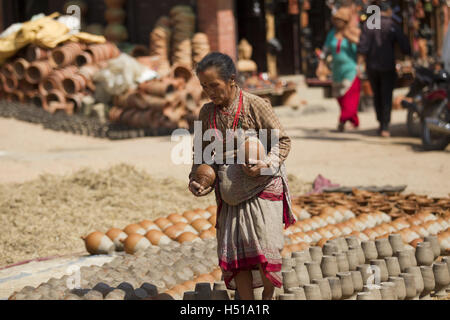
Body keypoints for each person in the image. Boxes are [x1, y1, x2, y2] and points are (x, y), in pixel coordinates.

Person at [188, 52, 295, 300]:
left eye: (214, 85)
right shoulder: (206, 113)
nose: (209, 92)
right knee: (238, 257)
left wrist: (264, 163)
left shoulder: (254, 104)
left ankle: (267, 300)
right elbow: (200, 154)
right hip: (230, 193)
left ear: (231, 80)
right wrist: (197, 179)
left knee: (264, 252)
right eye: (204, 86)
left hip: (262, 185)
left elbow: (283, 141)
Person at [358, 1, 411, 137]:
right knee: (386, 95)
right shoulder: (392, 24)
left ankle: (381, 122)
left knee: (377, 95)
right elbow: (405, 45)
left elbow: (362, 47)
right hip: (387, 65)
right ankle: (385, 126)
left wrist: (360, 64)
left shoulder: (369, 24)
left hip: (372, 66)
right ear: (388, 11)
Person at [322, 6, 361, 132]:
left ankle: (343, 119)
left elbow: (361, 47)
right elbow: (325, 50)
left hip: (350, 70)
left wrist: (349, 37)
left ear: (345, 21)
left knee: (350, 97)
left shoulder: (354, 31)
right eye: (336, 20)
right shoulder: (331, 34)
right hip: (336, 70)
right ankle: (354, 121)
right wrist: (321, 64)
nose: (336, 22)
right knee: (340, 97)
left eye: (339, 20)